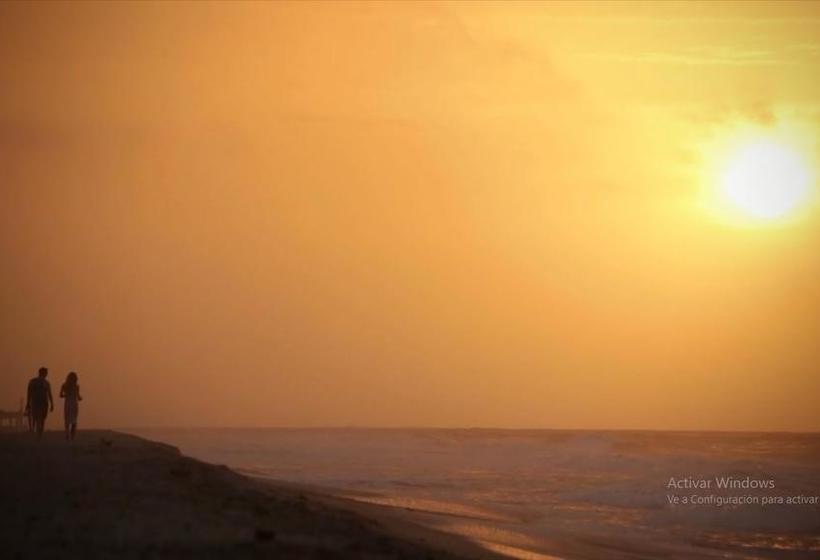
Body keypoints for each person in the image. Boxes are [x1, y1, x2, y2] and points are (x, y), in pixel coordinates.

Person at [26, 367, 53, 439]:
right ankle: (38, 433)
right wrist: (52, 404)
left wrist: (28, 402)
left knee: (38, 418)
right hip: (40, 402)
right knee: (40, 419)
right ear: (43, 373)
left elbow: (29, 393)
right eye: (46, 373)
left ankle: (37, 433)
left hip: (39, 402)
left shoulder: (33, 382)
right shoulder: (44, 383)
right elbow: (49, 394)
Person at [60, 371, 82, 440]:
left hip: (67, 403)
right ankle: (72, 436)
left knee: (67, 419)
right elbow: (78, 396)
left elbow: (60, 395)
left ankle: (67, 434)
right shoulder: (76, 386)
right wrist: (80, 398)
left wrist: (66, 395)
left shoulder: (64, 385)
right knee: (74, 420)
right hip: (74, 403)